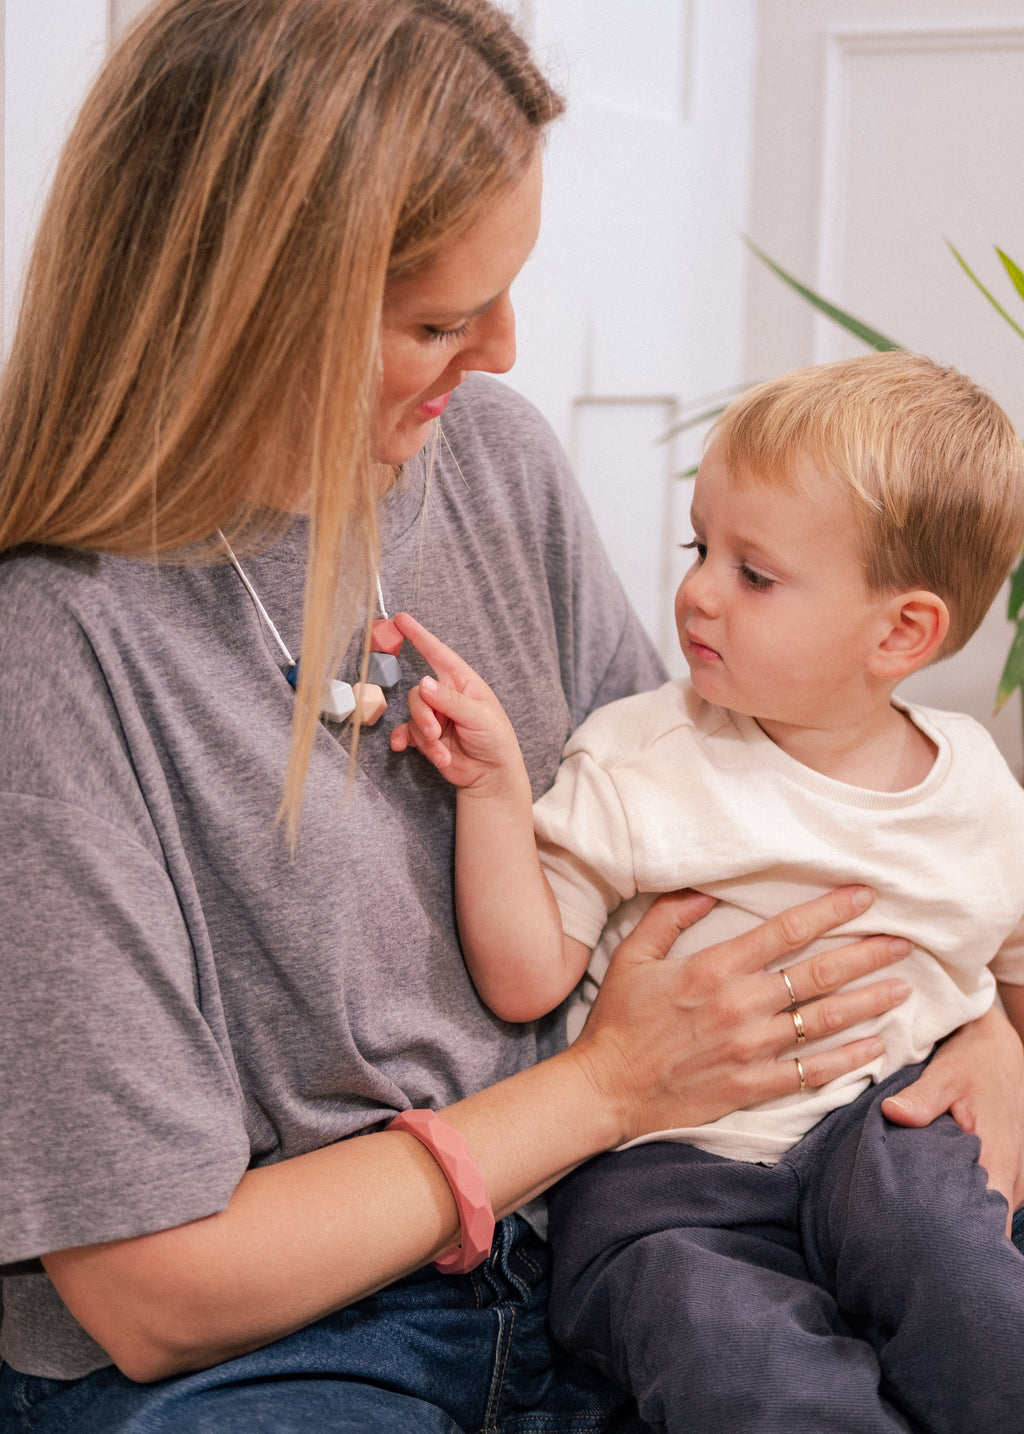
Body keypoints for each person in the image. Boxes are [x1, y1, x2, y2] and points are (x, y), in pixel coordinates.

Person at [0, 3, 1018, 1429]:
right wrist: (606, 1088)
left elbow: (707, 820)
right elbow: (154, 1293)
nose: (504, 349)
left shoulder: (492, 463)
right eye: (435, 317)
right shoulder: (58, 643)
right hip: (289, 1347)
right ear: (241, 298)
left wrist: (985, 1041)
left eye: (506, 290)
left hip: (605, 1236)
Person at [389, 352, 1024, 1433]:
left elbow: (1008, 971)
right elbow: (524, 978)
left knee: (977, 1304)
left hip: (885, 1130)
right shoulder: (644, 753)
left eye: (753, 573)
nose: (697, 590)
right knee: (746, 1370)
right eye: (700, 547)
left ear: (900, 633)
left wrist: (1001, 1055)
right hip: (666, 1179)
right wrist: (493, 793)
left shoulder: (975, 786)